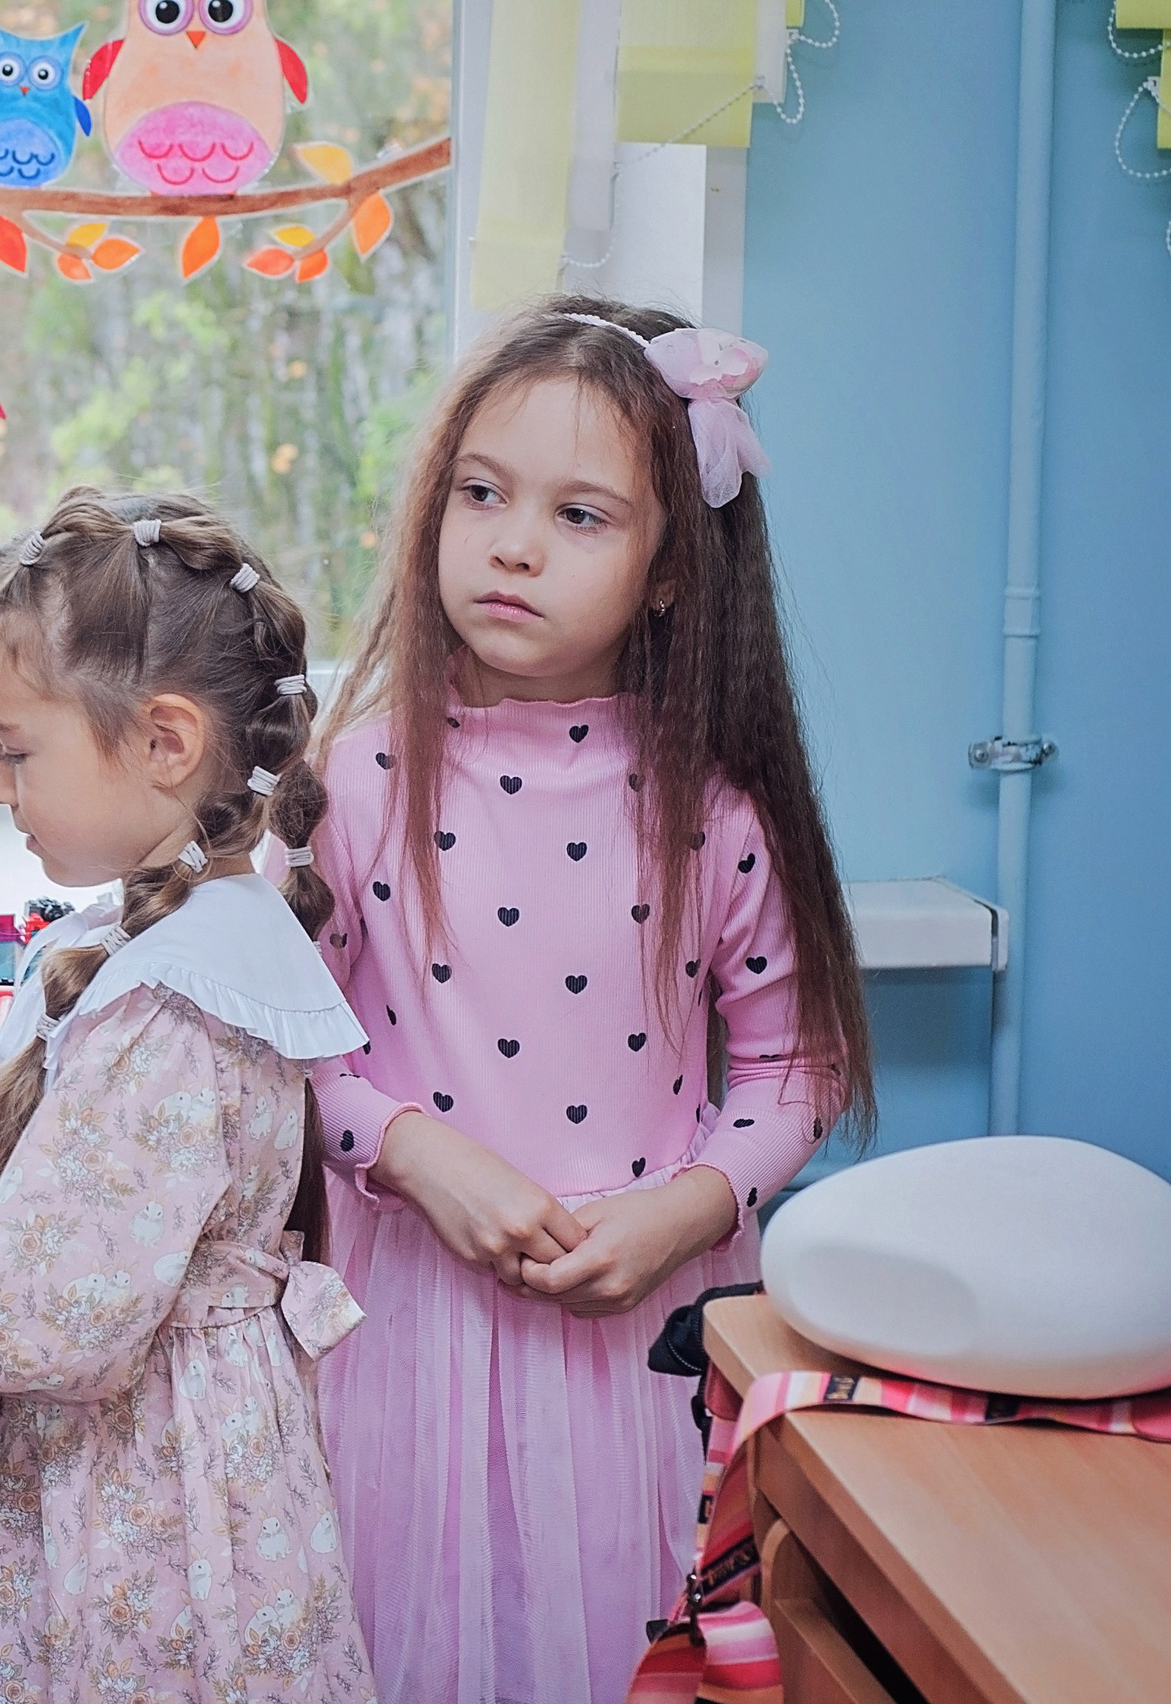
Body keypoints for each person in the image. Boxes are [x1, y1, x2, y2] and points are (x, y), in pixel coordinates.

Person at [298, 298, 875, 1704]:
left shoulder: (715, 816)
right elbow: (281, 1046)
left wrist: (687, 1206)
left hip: (642, 1356)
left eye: (581, 515)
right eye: (483, 495)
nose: (510, 542)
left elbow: (796, 1064)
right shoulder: (352, 787)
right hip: (406, 1355)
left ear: (673, 573)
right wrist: (415, 1153)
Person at [0, 489, 379, 1703]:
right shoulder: (167, 941)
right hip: (165, 1472)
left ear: (164, 744)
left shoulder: (168, 1006)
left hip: (136, 1508)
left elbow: (43, 1317)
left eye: (15, 751)